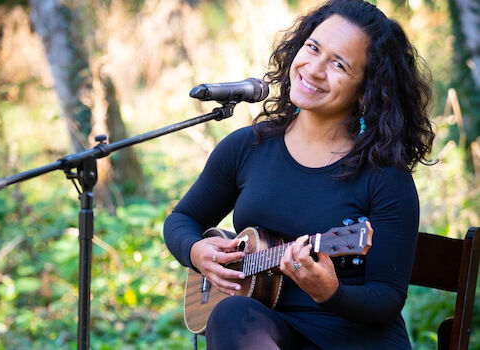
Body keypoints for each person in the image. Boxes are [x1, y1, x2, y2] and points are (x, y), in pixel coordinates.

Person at [163, 0, 435, 348]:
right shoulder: (248, 147)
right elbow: (182, 218)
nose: (314, 69)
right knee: (230, 313)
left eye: (338, 64)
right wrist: (195, 249)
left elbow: (387, 298)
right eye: (313, 48)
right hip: (260, 331)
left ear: (367, 90)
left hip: (354, 338)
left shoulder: (385, 177)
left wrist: (332, 293)